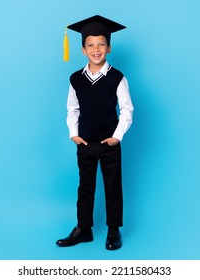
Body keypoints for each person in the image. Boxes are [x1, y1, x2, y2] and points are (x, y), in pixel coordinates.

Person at [56, 15, 134, 250]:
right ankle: (84, 229)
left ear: (108, 47)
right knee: (85, 187)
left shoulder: (117, 78)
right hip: (85, 143)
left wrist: (116, 137)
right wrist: (74, 134)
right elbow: (72, 108)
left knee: (112, 186)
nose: (96, 49)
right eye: (90, 45)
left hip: (109, 143)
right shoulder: (75, 79)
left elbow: (127, 109)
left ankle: (113, 230)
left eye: (101, 44)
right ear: (83, 49)